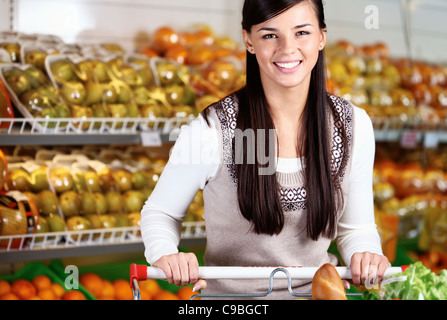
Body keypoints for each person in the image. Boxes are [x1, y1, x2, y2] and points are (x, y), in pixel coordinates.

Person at [140, 0, 391, 299]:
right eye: (270, 35)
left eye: (302, 33)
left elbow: (356, 229)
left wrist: (366, 255)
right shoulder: (211, 131)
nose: (287, 49)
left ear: (321, 37)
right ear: (249, 40)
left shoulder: (352, 125)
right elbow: (160, 213)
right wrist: (167, 254)